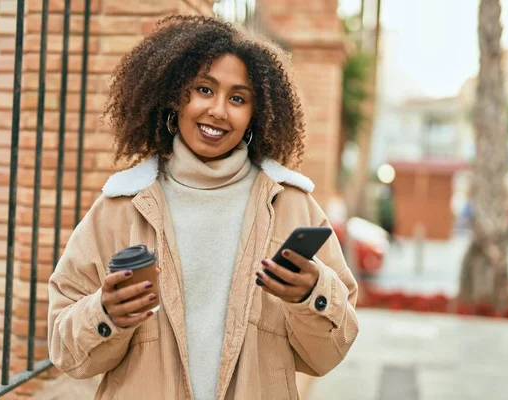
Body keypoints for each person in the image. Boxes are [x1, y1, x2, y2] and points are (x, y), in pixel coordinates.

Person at [47, 15, 359, 400]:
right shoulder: (121, 206)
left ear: (254, 116)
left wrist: (312, 293)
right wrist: (105, 313)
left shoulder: (294, 205)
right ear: (174, 95)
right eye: (203, 89)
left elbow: (329, 354)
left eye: (238, 98)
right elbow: (66, 352)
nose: (218, 110)